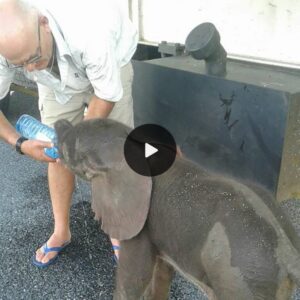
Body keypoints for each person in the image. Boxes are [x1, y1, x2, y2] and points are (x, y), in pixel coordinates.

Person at [0, 0, 138, 267]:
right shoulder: (10, 47)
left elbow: (106, 95)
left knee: (116, 152)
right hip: (55, 81)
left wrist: (77, 141)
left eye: (32, 58)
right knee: (56, 151)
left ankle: (119, 230)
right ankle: (61, 231)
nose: (29, 70)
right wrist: (18, 143)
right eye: (20, 65)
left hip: (111, 62)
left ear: (44, 24)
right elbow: (28, 62)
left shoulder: (91, 31)